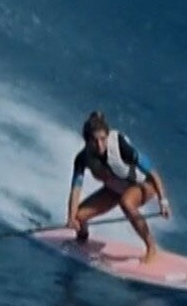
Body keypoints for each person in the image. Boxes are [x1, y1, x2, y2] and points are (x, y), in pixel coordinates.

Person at [65, 111, 172, 264]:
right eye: (95, 141)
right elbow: (75, 190)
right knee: (79, 216)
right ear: (87, 141)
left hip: (143, 185)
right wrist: (70, 217)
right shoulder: (82, 158)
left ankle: (151, 248)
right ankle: (82, 239)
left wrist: (163, 202)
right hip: (116, 189)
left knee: (126, 202)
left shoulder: (120, 146)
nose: (100, 145)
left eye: (103, 139)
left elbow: (153, 173)